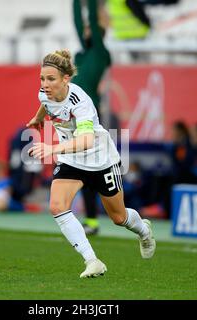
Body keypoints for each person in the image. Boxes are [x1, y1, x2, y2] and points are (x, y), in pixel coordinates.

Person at [26, 49, 156, 278]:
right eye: (42, 78)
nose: (45, 84)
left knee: (119, 218)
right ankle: (92, 261)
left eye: (51, 79)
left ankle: (144, 231)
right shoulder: (44, 93)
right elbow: (45, 103)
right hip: (71, 159)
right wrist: (38, 118)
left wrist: (52, 148)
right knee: (57, 206)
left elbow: (86, 141)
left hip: (100, 160)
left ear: (66, 79)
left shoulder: (80, 102)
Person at [72, 0, 112, 236]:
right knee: (83, 169)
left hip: (90, 116)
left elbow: (92, 29)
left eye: (90, 29)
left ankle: (96, 218)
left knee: (90, 169)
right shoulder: (85, 54)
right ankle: (92, 221)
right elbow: (78, 23)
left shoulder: (99, 51)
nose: (85, 31)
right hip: (75, 116)